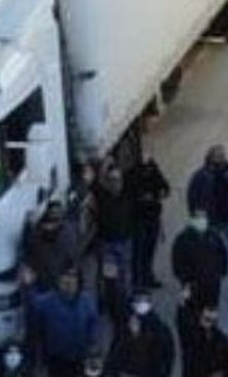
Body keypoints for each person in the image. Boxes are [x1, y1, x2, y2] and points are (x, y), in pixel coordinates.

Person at [187, 145, 228, 279]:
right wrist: (196, 217)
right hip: (211, 217)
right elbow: (193, 196)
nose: (220, 158)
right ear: (210, 157)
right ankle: (212, 267)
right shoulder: (200, 176)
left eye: (222, 155)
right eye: (217, 155)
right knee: (211, 245)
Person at [27, 271, 99, 377]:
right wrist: (29, 286)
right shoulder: (47, 301)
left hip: (81, 359)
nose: (68, 282)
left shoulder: (87, 300)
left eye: (72, 278)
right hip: (56, 360)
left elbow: (94, 324)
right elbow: (32, 304)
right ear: (58, 281)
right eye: (65, 279)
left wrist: (93, 348)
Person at [93, 163, 137, 305]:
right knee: (107, 274)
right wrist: (103, 166)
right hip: (107, 244)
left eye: (117, 179)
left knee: (125, 273)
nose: (115, 183)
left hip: (125, 241)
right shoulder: (102, 196)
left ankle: (126, 299)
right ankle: (106, 300)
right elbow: (94, 182)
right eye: (111, 180)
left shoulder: (128, 195)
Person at [126, 154, 171, 290]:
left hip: (153, 217)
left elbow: (165, 187)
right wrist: (142, 198)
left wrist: (162, 193)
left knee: (149, 251)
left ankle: (148, 277)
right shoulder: (132, 174)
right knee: (138, 253)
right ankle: (138, 282)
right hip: (139, 219)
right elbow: (129, 197)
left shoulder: (154, 170)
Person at [106, 292, 175, 377]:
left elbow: (167, 356)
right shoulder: (124, 330)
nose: (141, 303)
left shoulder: (159, 329)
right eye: (138, 300)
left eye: (143, 300)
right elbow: (115, 353)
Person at [171, 211, 228, 308]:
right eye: (198, 218)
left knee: (211, 308)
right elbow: (177, 261)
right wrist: (184, 279)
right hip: (193, 282)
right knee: (192, 308)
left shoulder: (213, 236)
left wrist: (222, 271)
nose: (202, 220)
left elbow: (223, 254)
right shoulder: (183, 239)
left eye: (203, 217)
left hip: (212, 281)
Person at [178, 300, 228, 377]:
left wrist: (221, 373)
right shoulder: (192, 336)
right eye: (207, 319)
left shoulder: (222, 341)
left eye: (213, 321)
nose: (209, 324)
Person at [25, 200, 81, 286]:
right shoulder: (38, 237)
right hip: (46, 278)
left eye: (51, 223)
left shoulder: (66, 239)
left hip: (53, 282)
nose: (47, 226)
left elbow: (70, 264)